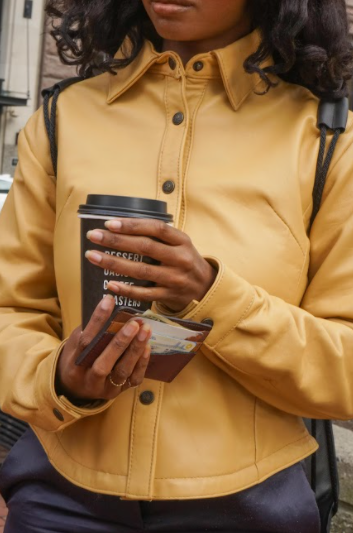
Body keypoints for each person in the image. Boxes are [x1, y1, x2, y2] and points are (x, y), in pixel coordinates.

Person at [0, 0, 353, 531]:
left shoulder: (329, 140)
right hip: (60, 501)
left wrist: (214, 296)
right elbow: (10, 310)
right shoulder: (62, 118)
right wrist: (60, 379)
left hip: (248, 509)